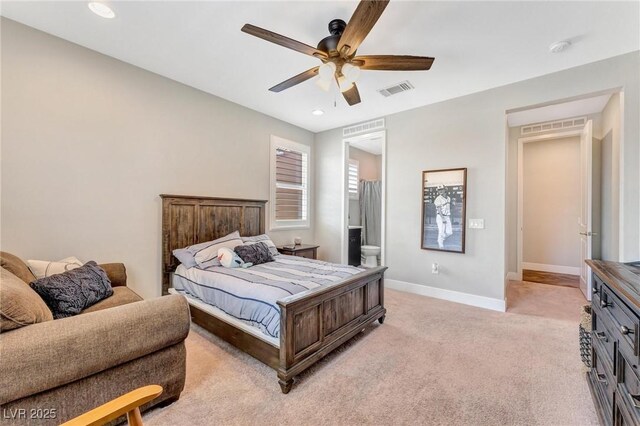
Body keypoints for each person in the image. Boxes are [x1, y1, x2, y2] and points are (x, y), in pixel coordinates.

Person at [433, 184, 452, 249]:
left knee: (449, 232)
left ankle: (440, 239)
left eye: (441, 189)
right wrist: (443, 218)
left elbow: (448, 207)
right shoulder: (438, 199)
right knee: (441, 231)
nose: (440, 191)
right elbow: (438, 209)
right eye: (439, 190)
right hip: (440, 217)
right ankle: (440, 244)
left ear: (445, 190)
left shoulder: (449, 198)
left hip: (447, 216)